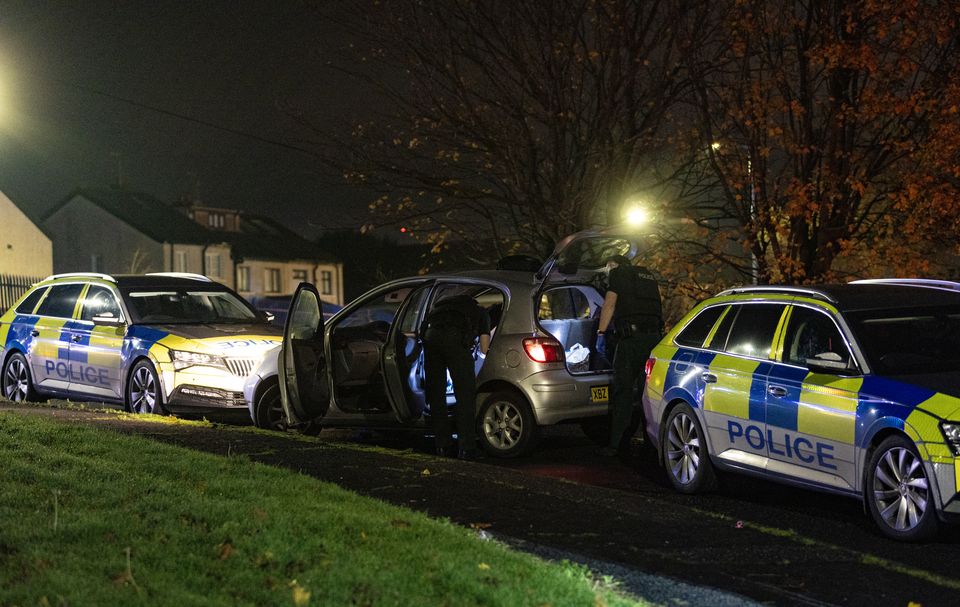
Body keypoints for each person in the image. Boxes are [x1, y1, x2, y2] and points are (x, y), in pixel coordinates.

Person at [596, 255, 662, 456]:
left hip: (631, 341)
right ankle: (652, 443)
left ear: (613, 265)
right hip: (654, 340)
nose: (607, 271)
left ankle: (617, 443)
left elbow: (609, 304)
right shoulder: (648, 276)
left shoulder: (619, 273)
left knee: (623, 392)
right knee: (648, 394)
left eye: (608, 267)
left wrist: (600, 332)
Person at [421, 293, 491, 460]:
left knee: (436, 396)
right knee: (465, 396)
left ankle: (443, 446)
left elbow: (422, 331)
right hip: (455, 341)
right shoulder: (482, 313)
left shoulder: (441, 309)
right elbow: (484, 348)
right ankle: (467, 449)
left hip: (431, 339)